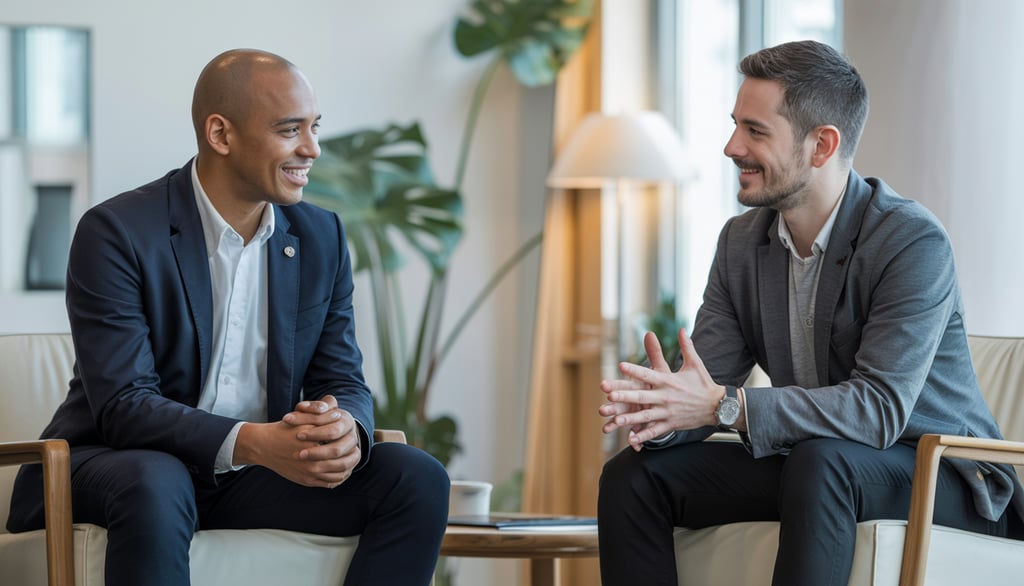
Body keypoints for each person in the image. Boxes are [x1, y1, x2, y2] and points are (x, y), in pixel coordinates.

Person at [6, 48, 449, 586]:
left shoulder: (321, 237)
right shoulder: (118, 232)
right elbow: (124, 406)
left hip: (250, 479)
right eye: (290, 130)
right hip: (116, 466)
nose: (311, 149)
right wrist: (258, 443)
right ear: (221, 134)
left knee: (415, 477)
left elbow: (342, 377)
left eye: (314, 127)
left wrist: (344, 428)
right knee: (157, 478)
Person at [596, 40, 1024, 585]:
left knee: (821, 464)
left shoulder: (910, 241)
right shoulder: (741, 243)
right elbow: (705, 386)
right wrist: (662, 411)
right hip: (818, 462)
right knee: (635, 476)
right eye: (735, 125)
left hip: (939, 473)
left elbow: (877, 411)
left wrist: (723, 407)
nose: (731, 147)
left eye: (755, 130)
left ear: (821, 145)